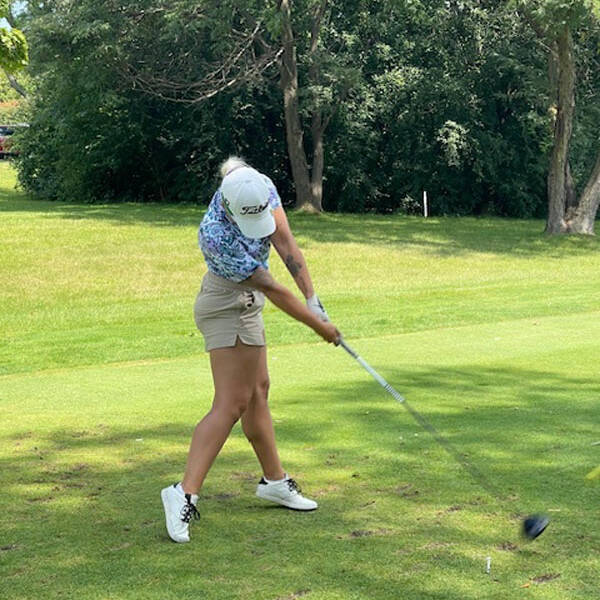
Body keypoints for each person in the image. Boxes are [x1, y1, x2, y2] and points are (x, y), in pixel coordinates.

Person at [161, 156, 341, 543]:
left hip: (247, 304)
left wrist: (314, 299)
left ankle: (274, 481)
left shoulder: (257, 186)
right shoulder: (214, 235)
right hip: (226, 305)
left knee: (259, 392)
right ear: (228, 206)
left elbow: (287, 245)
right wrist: (319, 328)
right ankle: (182, 493)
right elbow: (273, 289)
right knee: (231, 403)